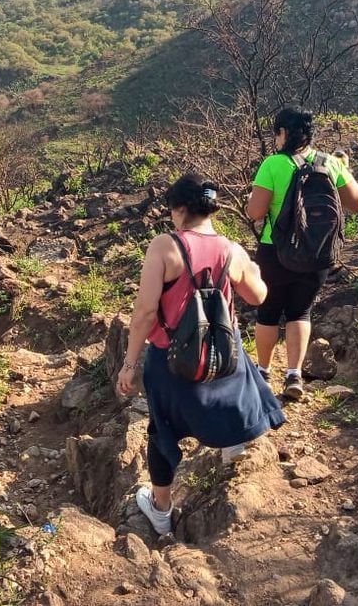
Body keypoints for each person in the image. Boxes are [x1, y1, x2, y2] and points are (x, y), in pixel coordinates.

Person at [116, 173, 285, 535]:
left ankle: (161, 510)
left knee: (162, 430)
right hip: (225, 356)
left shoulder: (165, 246)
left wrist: (130, 364)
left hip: (172, 360)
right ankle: (234, 447)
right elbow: (259, 297)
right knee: (238, 397)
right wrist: (253, 270)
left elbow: (145, 312)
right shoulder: (232, 249)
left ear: (179, 209)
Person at [246, 108, 358, 401]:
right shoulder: (329, 163)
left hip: (276, 251)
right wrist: (343, 168)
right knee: (301, 311)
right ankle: (293, 375)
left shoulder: (273, 164)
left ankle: (262, 373)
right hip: (318, 253)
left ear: (283, 133)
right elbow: (357, 203)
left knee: (269, 311)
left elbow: (256, 212)